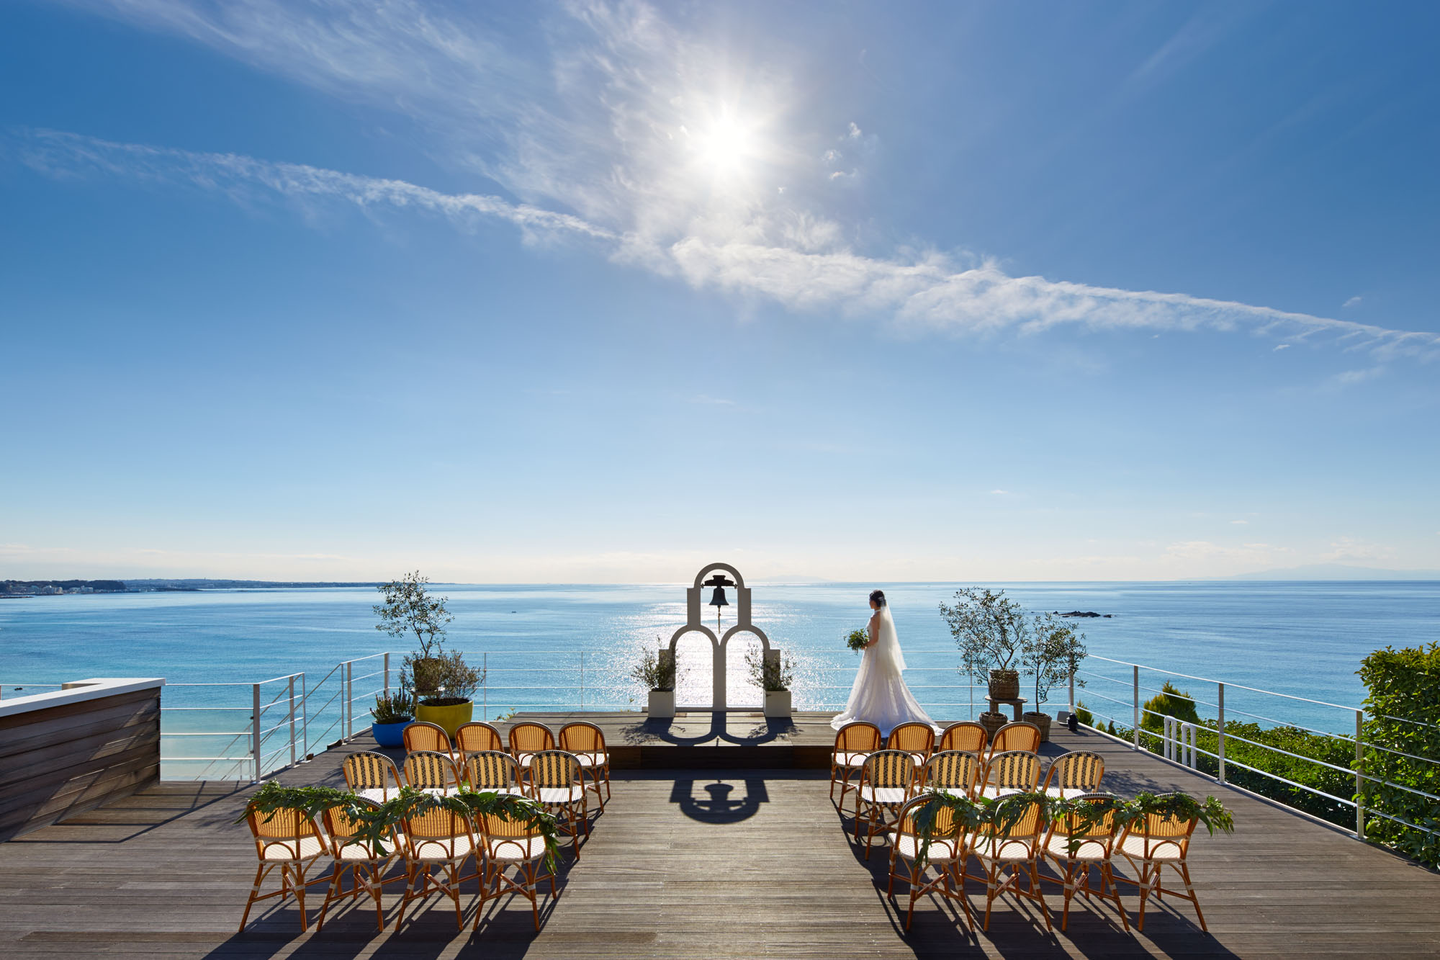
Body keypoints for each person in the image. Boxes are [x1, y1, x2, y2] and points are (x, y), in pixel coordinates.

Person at [830, 589, 939, 735]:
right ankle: (884, 712)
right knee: (883, 683)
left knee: (872, 682)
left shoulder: (875, 617)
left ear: (874, 602)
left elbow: (875, 640)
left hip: (874, 655)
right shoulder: (885, 616)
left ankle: (874, 713)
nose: (869, 603)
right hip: (883, 655)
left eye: (870, 600)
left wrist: (864, 644)